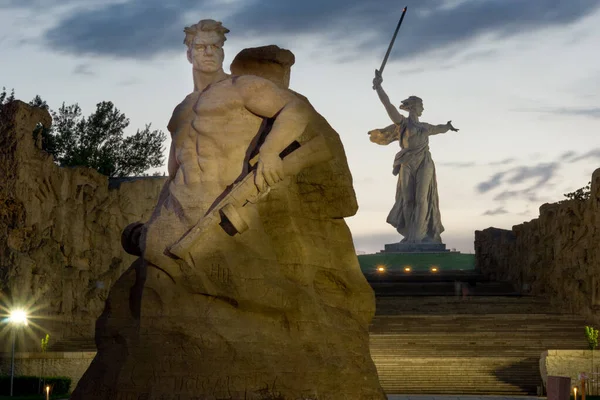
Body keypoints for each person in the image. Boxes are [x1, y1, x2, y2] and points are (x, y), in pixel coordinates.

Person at [140, 19, 311, 278]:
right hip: (178, 211)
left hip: (226, 207)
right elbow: (173, 170)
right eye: (200, 47)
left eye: (215, 46)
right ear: (188, 53)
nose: (208, 52)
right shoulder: (181, 111)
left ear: (222, 51)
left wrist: (271, 151)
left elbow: (296, 109)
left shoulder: (241, 87)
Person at [369, 70, 459, 243]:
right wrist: (379, 87)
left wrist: (448, 127)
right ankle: (411, 234)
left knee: (422, 198)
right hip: (407, 161)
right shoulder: (402, 123)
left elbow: (439, 128)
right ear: (413, 106)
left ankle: (419, 236)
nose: (423, 108)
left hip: (424, 161)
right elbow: (388, 106)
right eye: (421, 105)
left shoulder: (425, 127)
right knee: (407, 199)